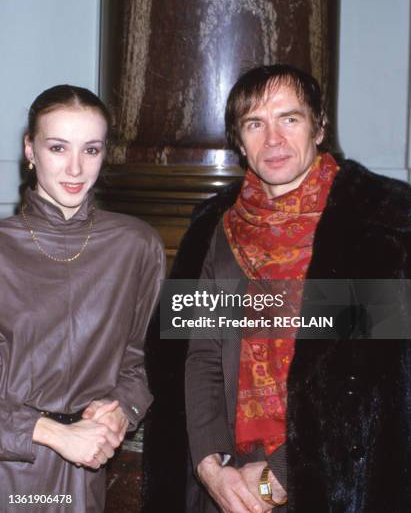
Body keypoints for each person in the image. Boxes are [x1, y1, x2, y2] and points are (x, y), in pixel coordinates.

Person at [184, 64, 411, 512]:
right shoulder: (214, 227)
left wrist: (278, 477)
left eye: (289, 118)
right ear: (239, 140)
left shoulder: (381, 223)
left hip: (339, 481)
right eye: (255, 124)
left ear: (320, 127)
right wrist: (210, 467)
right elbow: (199, 353)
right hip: (232, 477)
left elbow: (372, 379)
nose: (273, 139)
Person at [0, 85, 165, 512]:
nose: (75, 168)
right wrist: (53, 433)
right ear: (29, 150)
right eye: (58, 147)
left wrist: (122, 409)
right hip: (10, 467)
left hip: (89, 468)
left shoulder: (137, 244)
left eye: (91, 150)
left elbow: (146, 355)